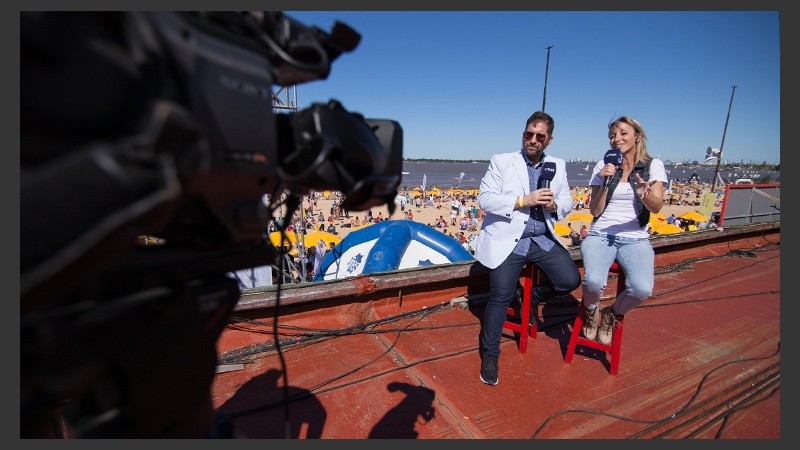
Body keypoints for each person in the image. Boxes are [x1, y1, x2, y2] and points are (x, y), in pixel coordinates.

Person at [472, 111, 581, 386]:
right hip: (509, 240)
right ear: (523, 134)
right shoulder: (502, 161)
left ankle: (530, 298)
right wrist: (523, 200)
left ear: (549, 139)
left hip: (542, 238)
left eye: (539, 136)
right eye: (528, 134)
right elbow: (485, 199)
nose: (532, 140)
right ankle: (490, 355)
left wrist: (554, 205)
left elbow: (568, 201)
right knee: (500, 295)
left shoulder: (557, 165)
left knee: (569, 280)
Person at [579, 115, 667, 345]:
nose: (616, 139)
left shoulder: (653, 166)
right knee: (593, 282)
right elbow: (595, 211)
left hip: (635, 238)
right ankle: (590, 310)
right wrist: (605, 182)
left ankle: (611, 314)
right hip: (601, 234)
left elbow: (657, 207)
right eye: (612, 136)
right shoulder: (603, 166)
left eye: (623, 133)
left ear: (637, 136)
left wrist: (644, 194)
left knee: (641, 289)